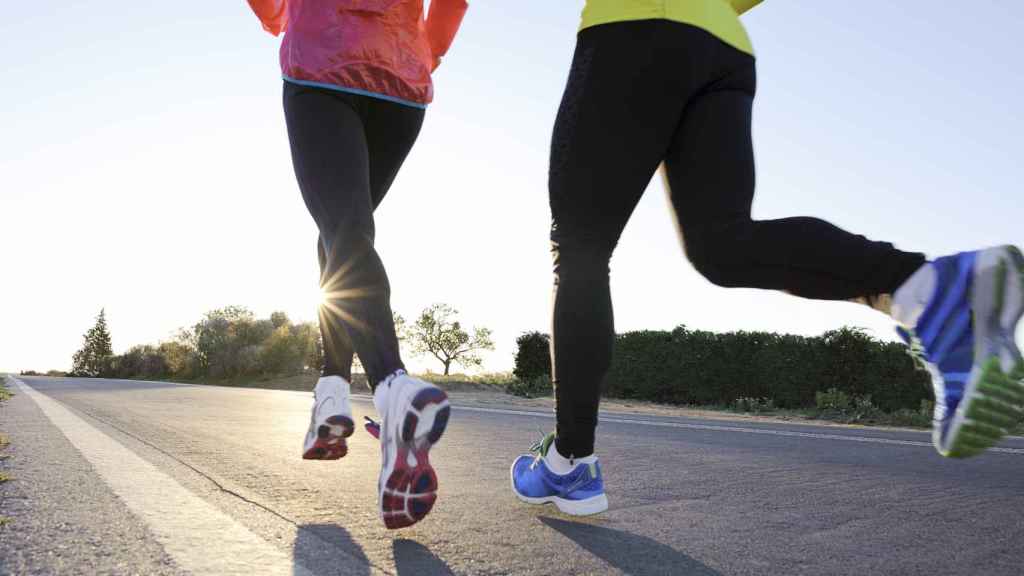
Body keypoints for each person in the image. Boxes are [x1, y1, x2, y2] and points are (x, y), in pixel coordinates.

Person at [511, 0, 1024, 516]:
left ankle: (569, 461)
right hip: (722, 46)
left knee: (580, 248)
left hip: (631, 25)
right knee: (723, 247)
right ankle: (930, 288)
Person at [246, 0, 468, 529]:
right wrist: (425, 48)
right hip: (400, 80)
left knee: (344, 229)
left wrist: (276, 17)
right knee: (343, 232)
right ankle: (331, 395)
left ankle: (395, 390)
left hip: (323, 63)